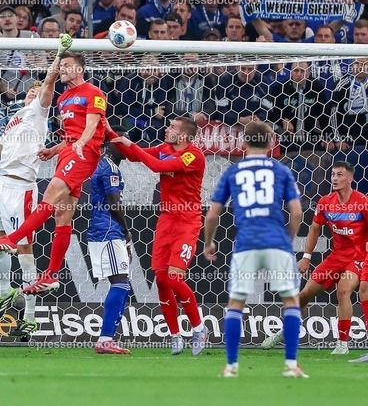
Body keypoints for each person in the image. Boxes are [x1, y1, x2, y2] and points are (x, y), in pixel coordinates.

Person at [0, 43, 66, 336]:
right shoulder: (14, 121)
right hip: (0, 185)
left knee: (23, 249)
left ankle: (30, 316)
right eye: (30, 91)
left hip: (21, 188)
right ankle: (5, 291)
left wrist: (58, 56)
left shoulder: (39, 113)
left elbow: (50, 81)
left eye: (38, 91)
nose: (33, 94)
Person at [0, 36, 110, 296]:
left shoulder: (94, 93)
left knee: (50, 195)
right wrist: (55, 149)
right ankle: (52, 275)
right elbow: (71, 134)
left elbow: (91, 125)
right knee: (62, 216)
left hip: (83, 153)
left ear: (79, 68)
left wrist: (80, 144)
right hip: (67, 153)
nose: (61, 69)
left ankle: (12, 239)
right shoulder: (63, 99)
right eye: (60, 66)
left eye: (66, 65)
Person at [203, 121, 307, 378]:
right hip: (277, 243)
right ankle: (291, 365)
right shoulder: (281, 170)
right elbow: (296, 212)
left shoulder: (233, 171)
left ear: (244, 142)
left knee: (236, 303)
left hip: (246, 244)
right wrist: (287, 240)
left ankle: (231, 366)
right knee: (291, 301)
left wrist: (208, 242)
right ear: (271, 142)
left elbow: (212, 214)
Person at [109, 116, 208, 355]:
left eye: (172, 127)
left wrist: (131, 145)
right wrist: (110, 131)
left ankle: (199, 328)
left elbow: (158, 167)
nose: (167, 129)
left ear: (184, 135)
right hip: (166, 220)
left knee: (174, 279)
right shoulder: (164, 148)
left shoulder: (193, 156)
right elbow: (134, 156)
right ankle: (175, 336)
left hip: (187, 222)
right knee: (162, 280)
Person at [262, 162, 368, 355]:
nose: (335, 178)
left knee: (343, 291)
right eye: (333, 174)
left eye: (340, 175)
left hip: (358, 257)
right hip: (336, 257)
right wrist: (306, 257)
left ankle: (342, 344)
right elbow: (314, 229)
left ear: (350, 179)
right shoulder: (325, 202)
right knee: (303, 296)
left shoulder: (362, 202)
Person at [89, 125, 133, 355]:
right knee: (121, 282)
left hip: (103, 230)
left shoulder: (103, 165)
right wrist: (126, 232)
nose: (126, 145)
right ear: (110, 144)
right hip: (108, 230)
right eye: (121, 141)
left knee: (120, 282)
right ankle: (105, 339)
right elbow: (114, 205)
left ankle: (107, 338)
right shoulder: (110, 169)